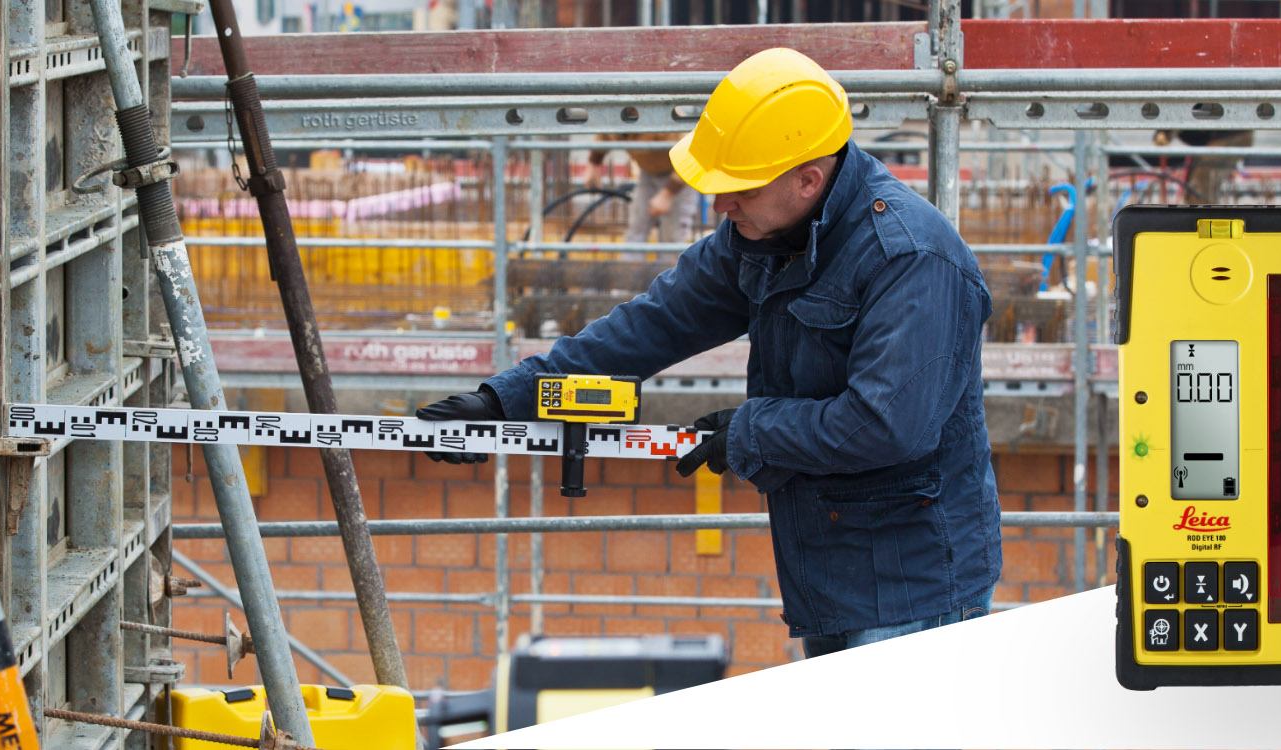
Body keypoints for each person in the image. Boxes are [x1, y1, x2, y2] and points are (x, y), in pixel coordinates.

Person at [417, 48, 1001, 657]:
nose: (720, 206)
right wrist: (503, 401)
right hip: (832, 570)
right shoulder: (762, 233)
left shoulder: (909, 258)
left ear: (808, 179)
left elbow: (887, 424)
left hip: (916, 586)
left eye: (738, 189)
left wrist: (752, 433)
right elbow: (653, 325)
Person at [587, 133, 702, 244]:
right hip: (647, 173)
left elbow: (691, 155)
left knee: (672, 234)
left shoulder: (664, 118)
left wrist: (668, 193)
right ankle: (632, 263)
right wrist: (593, 164)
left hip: (679, 174)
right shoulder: (616, 117)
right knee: (636, 227)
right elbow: (605, 134)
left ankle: (670, 263)